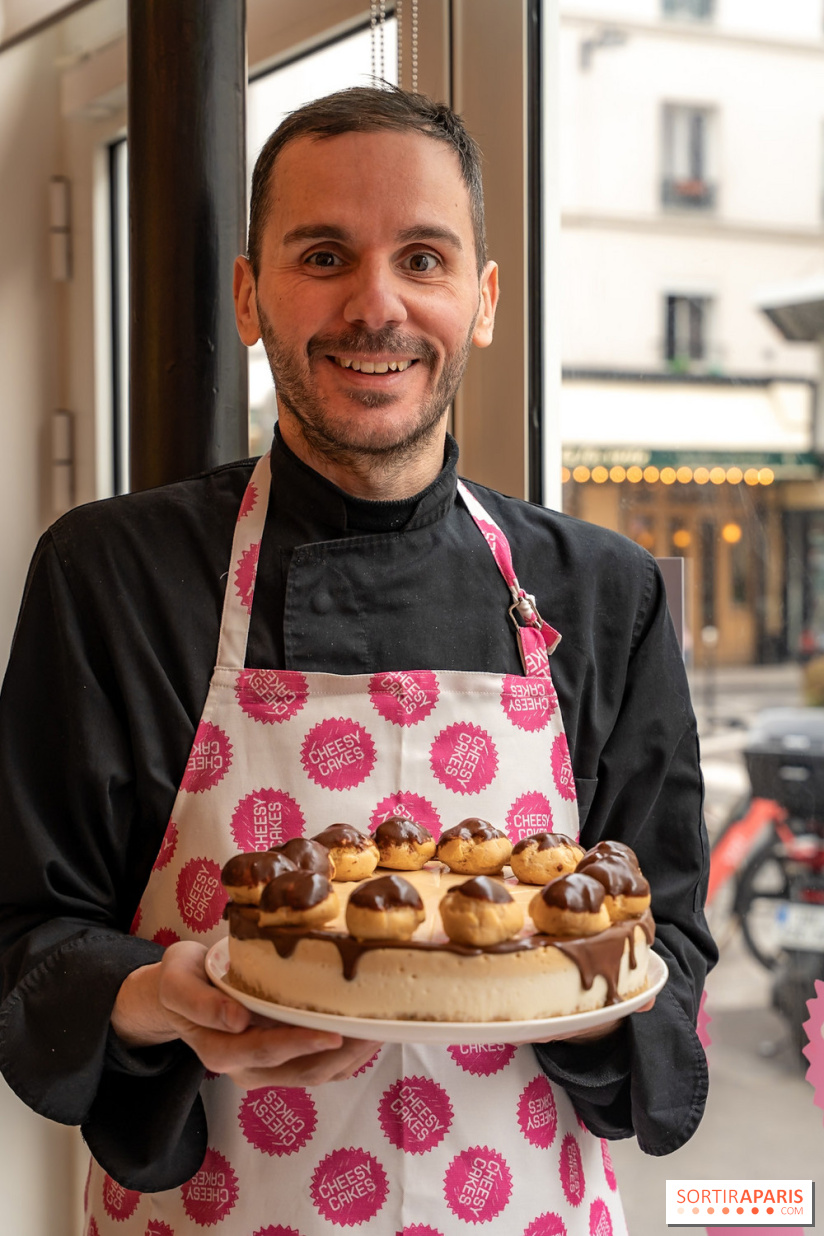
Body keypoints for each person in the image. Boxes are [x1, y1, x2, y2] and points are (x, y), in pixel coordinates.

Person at [0, 86, 715, 1235]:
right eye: (323, 256)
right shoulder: (112, 575)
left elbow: (665, 938)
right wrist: (158, 1001)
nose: (375, 305)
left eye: (421, 258)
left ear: (483, 301)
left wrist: (556, 987)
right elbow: (24, 934)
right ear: (250, 296)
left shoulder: (606, 594)